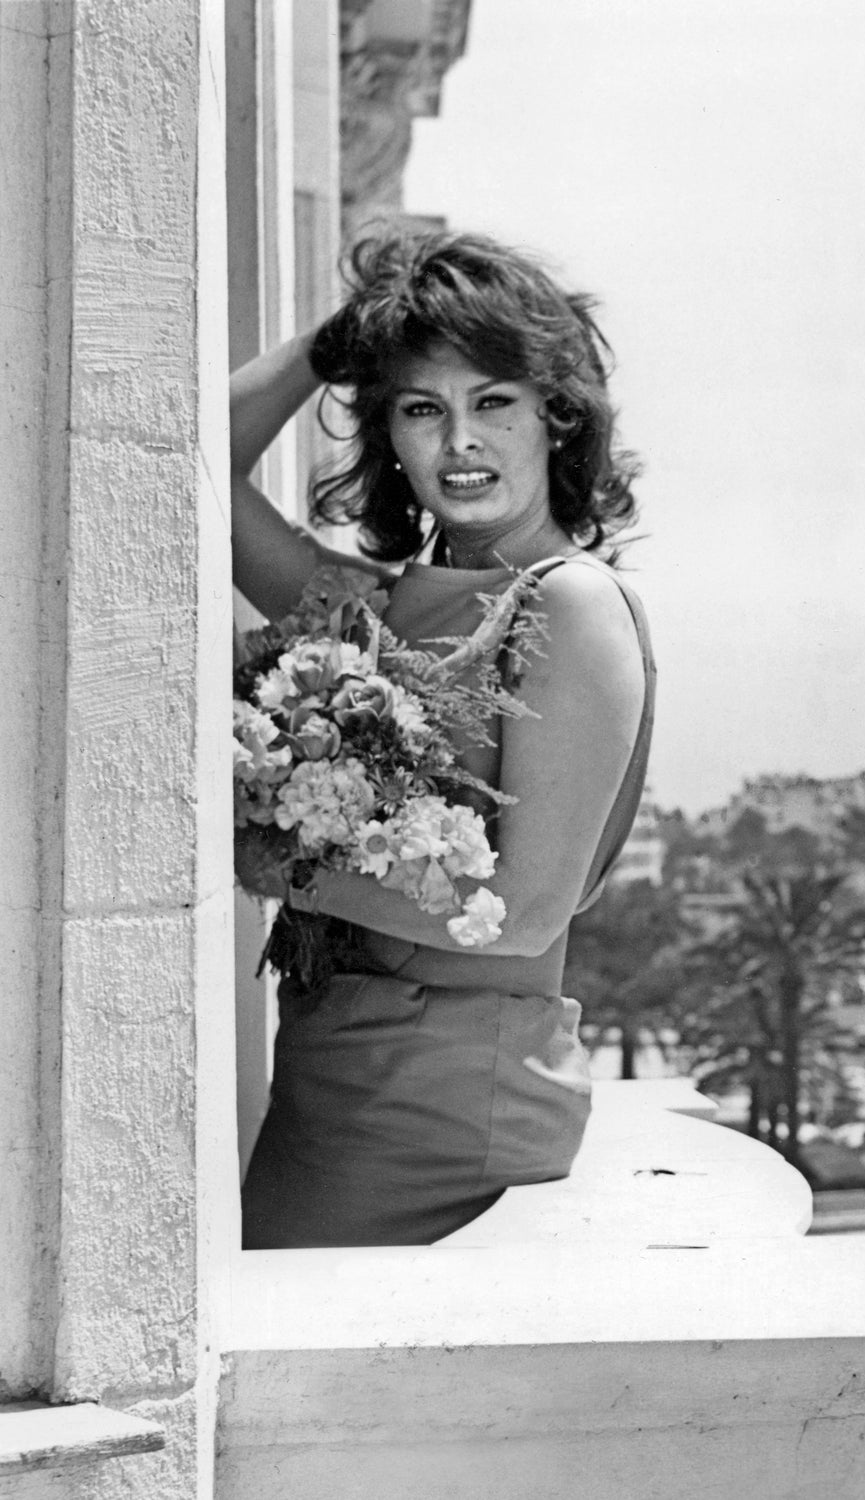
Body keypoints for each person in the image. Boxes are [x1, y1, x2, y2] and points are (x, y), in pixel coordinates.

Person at [231, 232, 654, 1249]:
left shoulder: (571, 605)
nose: (459, 443)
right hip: (332, 1071)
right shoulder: (376, 604)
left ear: (558, 417)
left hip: (445, 1107)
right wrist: (336, 342)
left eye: (493, 402)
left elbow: (517, 912)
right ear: (390, 437)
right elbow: (190, 468)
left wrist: (266, 861)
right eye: (423, 409)